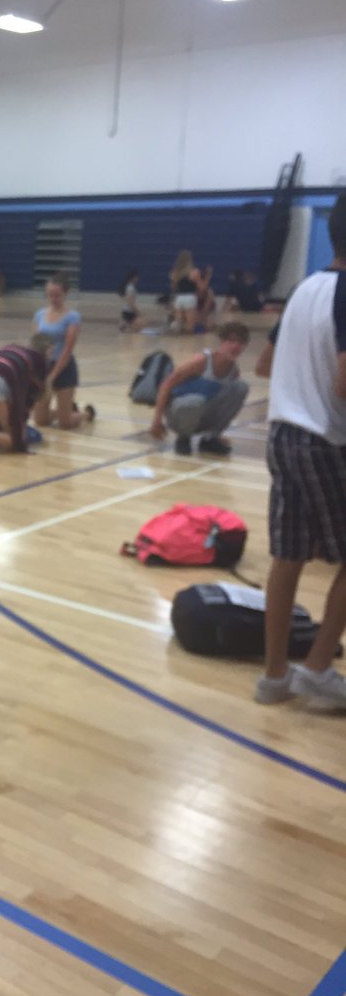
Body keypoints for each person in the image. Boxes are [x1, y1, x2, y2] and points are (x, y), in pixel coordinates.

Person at [254, 193, 346, 708]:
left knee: (287, 558)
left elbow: (264, 364)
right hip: (325, 441)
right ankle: (316, 668)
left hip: (282, 435)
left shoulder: (303, 288)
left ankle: (274, 678)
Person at [150, 321, 250, 456]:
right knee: (196, 401)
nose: (236, 346)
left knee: (241, 387)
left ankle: (210, 438)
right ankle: (183, 438)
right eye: (231, 341)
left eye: (241, 342)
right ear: (222, 341)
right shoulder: (200, 361)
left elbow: (223, 404)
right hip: (179, 412)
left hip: (202, 413)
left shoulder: (234, 371)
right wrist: (157, 420)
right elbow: (166, 385)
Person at [30, 272, 95, 429]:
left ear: (65, 293)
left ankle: (85, 413)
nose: (53, 299)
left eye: (57, 295)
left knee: (65, 424)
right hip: (44, 367)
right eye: (50, 295)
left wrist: (52, 376)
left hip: (64, 368)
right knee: (40, 421)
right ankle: (61, 411)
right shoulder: (39, 315)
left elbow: (67, 350)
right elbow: (35, 344)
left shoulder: (72, 317)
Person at [168, 250, 200, 333]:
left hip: (179, 297)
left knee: (179, 323)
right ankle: (189, 344)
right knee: (189, 326)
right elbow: (199, 286)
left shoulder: (175, 272)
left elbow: (173, 287)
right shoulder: (194, 272)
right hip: (190, 296)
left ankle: (178, 343)